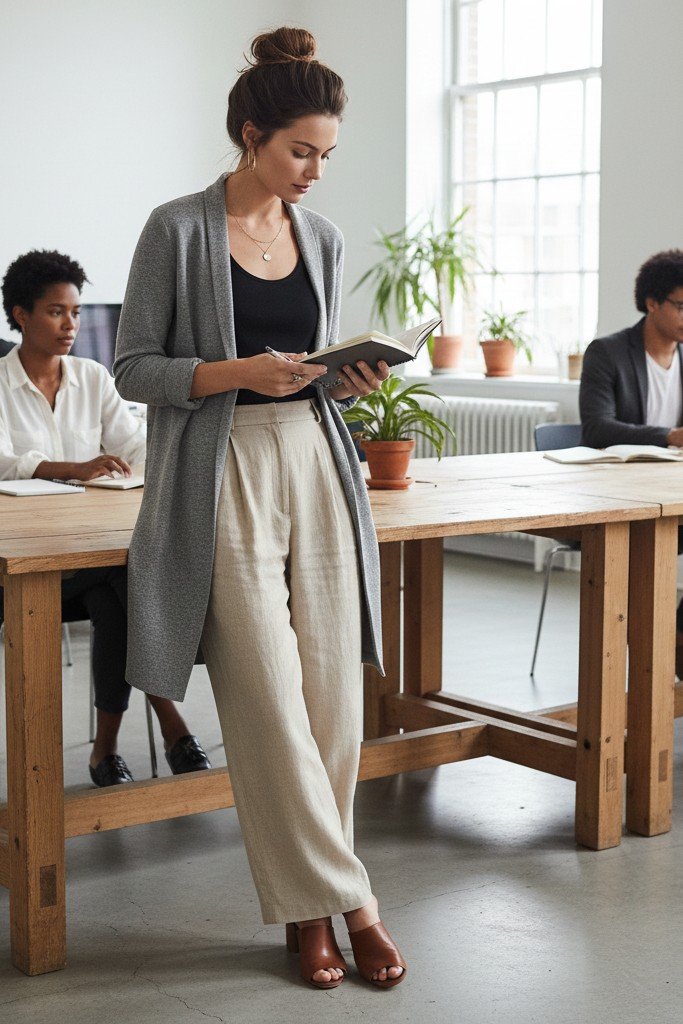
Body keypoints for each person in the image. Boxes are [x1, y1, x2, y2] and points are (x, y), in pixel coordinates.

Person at [113, 27, 408, 990]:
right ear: (250, 134)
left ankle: (302, 912)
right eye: (301, 151)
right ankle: (351, 903)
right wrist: (240, 372)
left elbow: (313, 370)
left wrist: (345, 380)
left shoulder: (316, 237)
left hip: (316, 463)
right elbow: (131, 368)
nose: (316, 171)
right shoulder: (175, 227)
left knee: (330, 697)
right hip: (221, 468)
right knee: (266, 698)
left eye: (326, 154)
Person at [0, 249, 212, 786]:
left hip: (89, 551)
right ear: (21, 315)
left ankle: (107, 747)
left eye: (74, 312)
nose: (70, 324)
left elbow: (135, 448)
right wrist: (78, 467)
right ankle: (168, 727)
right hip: (24, 563)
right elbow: (1, 461)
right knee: (125, 586)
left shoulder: (93, 377)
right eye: (55, 312)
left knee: (117, 593)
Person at [579, 248, 683, 672]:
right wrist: (669, 436)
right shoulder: (608, 353)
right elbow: (597, 429)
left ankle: (676, 644)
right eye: (681, 305)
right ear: (653, 302)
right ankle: (657, 661)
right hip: (621, 497)